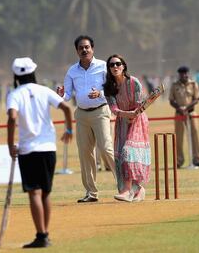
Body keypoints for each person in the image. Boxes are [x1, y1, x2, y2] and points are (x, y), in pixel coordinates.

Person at [7, 57, 73, 248]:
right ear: (33, 72)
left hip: (28, 149)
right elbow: (67, 108)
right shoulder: (44, 90)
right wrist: (68, 130)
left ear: (16, 76)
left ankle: (41, 235)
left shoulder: (15, 94)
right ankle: (45, 234)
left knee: (34, 193)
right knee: (45, 193)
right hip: (48, 148)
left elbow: (12, 118)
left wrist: (10, 144)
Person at [57, 35, 117, 203]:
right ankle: (91, 192)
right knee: (85, 153)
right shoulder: (72, 71)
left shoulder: (103, 67)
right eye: (81, 48)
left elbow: (113, 89)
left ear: (92, 49)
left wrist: (100, 94)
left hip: (100, 111)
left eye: (87, 47)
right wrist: (62, 94)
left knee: (106, 148)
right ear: (76, 51)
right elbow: (68, 95)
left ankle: (124, 186)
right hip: (82, 114)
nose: (84, 50)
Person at [103, 54, 151, 202]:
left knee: (128, 152)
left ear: (123, 66)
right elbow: (114, 109)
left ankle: (126, 190)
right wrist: (126, 114)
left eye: (118, 64)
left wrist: (133, 114)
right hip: (122, 122)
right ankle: (138, 190)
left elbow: (139, 104)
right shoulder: (108, 87)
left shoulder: (134, 82)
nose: (115, 67)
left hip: (138, 121)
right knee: (120, 157)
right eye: (111, 65)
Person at [169, 66, 199, 168]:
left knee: (195, 136)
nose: (183, 75)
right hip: (179, 114)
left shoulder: (193, 84)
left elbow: (197, 99)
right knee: (178, 138)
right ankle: (179, 161)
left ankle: (197, 159)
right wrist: (180, 108)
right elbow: (171, 100)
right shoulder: (175, 85)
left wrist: (187, 108)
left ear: (188, 73)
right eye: (181, 73)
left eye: (185, 73)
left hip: (191, 113)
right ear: (179, 74)